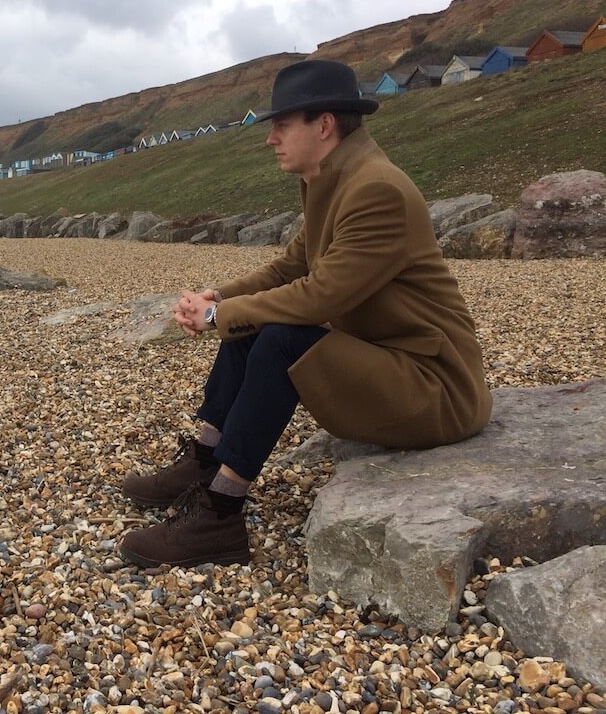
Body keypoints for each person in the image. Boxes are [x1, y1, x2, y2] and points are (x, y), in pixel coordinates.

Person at [119, 59, 492, 568]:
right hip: (388, 360)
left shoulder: (375, 189)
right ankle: (206, 461)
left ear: (323, 125)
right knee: (256, 325)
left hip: (436, 386)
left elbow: (319, 297)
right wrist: (216, 298)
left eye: (281, 125)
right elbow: (287, 268)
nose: (271, 138)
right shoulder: (335, 178)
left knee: (281, 337)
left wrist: (214, 319)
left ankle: (220, 515)